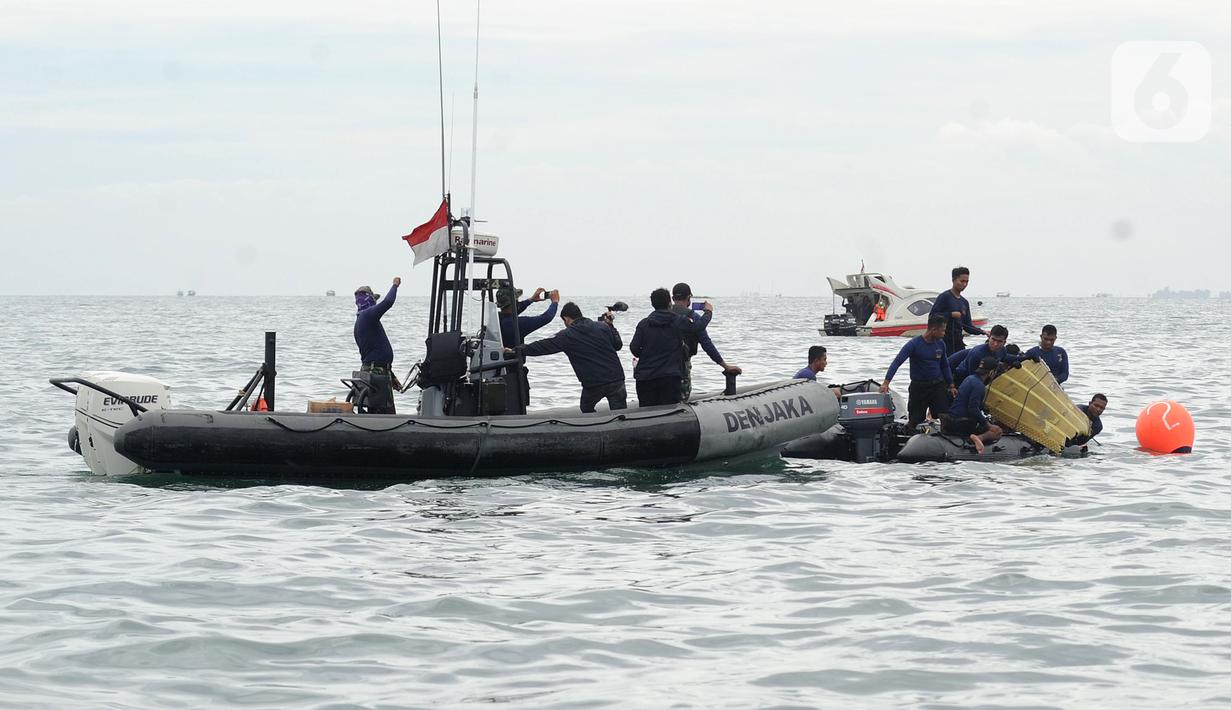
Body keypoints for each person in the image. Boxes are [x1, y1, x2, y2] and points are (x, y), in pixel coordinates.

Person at [519, 302, 627, 412]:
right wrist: (611, 326)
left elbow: (543, 346)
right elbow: (618, 345)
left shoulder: (567, 335)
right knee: (620, 413)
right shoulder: (602, 326)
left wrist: (518, 350)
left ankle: (595, 426)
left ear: (566, 318)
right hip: (616, 378)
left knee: (586, 408)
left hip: (594, 383)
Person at [630, 287, 712, 406]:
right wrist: (708, 312)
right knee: (669, 412)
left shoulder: (644, 324)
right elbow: (698, 327)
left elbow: (634, 349)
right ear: (669, 303)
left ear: (653, 304)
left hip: (646, 378)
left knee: (646, 414)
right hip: (670, 377)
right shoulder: (677, 321)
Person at [880, 314, 956, 430]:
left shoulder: (941, 344)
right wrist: (886, 383)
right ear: (933, 329)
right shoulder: (914, 344)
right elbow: (897, 362)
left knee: (944, 415)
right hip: (919, 387)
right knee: (915, 420)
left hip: (937, 385)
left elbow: (945, 366)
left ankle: (946, 438)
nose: (944, 333)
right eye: (943, 330)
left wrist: (951, 385)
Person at [670, 282, 740, 400]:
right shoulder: (694, 318)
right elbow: (707, 344)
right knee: (681, 399)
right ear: (689, 298)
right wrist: (725, 366)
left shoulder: (664, 314)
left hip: (661, 365)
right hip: (682, 365)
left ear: (672, 298)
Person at [353, 278, 400, 414]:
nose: (375, 304)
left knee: (376, 413)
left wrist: (391, 375)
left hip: (375, 370)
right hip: (376, 373)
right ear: (368, 300)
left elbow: (373, 354)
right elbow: (388, 302)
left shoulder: (362, 320)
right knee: (386, 415)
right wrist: (395, 285)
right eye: (373, 300)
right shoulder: (368, 315)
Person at [942, 355, 1003, 454]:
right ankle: (978, 437)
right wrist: (988, 425)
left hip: (951, 419)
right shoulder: (979, 386)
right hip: (963, 423)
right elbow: (973, 409)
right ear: (992, 372)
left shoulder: (969, 378)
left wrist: (983, 408)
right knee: (998, 431)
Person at [930, 266, 987, 355]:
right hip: (943, 342)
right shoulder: (944, 297)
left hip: (959, 343)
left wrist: (983, 332)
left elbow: (968, 326)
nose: (964, 284)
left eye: (967, 282)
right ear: (953, 280)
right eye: (962, 281)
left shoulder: (964, 302)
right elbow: (932, 316)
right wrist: (950, 314)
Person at [950, 324, 1029, 384]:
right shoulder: (977, 353)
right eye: (993, 339)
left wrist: (1026, 358)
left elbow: (1007, 357)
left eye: (999, 341)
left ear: (1004, 342)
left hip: (984, 377)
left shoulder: (1002, 350)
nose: (995, 344)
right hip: (963, 378)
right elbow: (972, 377)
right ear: (989, 337)